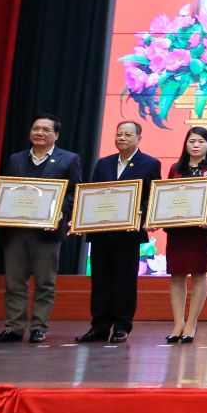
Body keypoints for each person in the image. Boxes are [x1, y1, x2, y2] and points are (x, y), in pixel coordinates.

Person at [0, 114, 82, 345]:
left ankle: (39, 327)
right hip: (16, 230)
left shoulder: (69, 159)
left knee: (45, 283)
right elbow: (7, 189)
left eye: (46, 130)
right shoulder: (16, 159)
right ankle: (14, 327)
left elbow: (74, 192)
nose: (39, 133)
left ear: (56, 135)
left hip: (47, 231)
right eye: (36, 128)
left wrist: (61, 210)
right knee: (14, 282)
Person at [77, 121, 161, 344]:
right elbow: (93, 194)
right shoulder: (103, 163)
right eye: (119, 134)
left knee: (125, 280)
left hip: (128, 233)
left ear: (138, 138)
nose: (122, 138)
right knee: (100, 280)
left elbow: (152, 196)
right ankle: (99, 326)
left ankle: (122, 326)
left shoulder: (150, 163)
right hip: (102, 231)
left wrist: (140, 213)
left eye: (127, 134)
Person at [162, 126, 207, 343]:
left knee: (199, 273)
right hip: (178, 231)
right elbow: (167, 198)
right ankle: (178, 324)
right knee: (176, 275)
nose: (196, 145)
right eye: (192, 141)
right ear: (186, 144)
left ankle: (191, 323)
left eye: (201, 141)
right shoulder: (175, 168)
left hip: (202, 231)